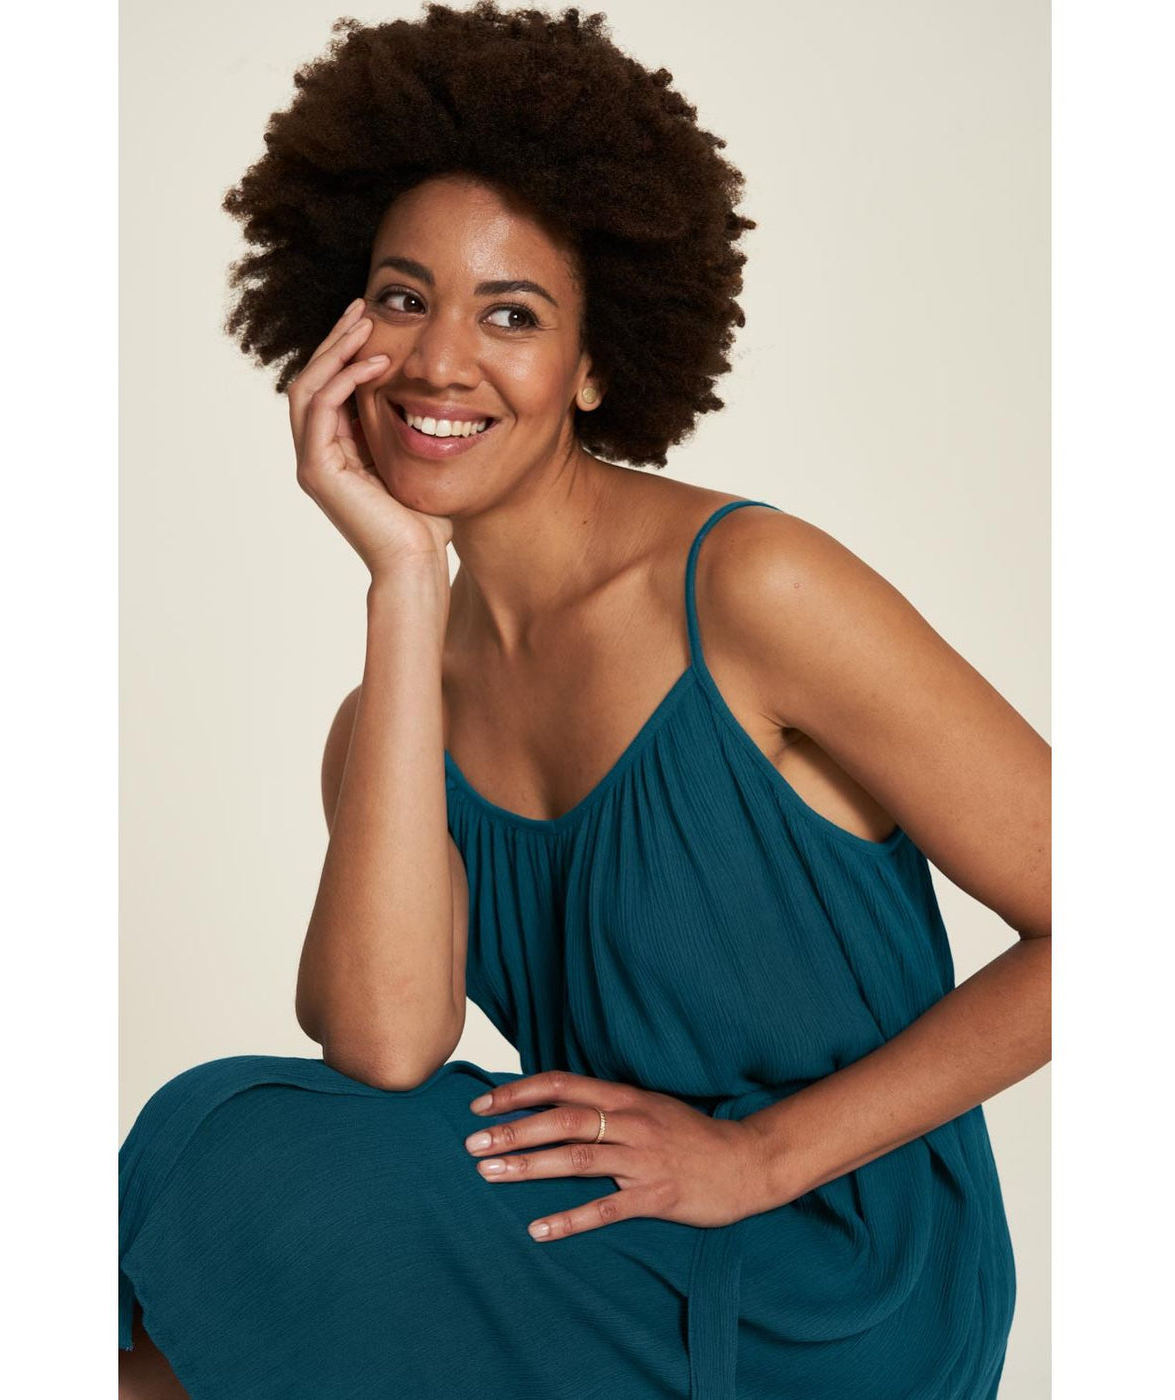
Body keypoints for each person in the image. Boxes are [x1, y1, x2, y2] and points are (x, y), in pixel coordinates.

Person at [119, 4, 1050, 1397]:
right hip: (611, 1230)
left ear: (596, 364)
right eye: (401, 298)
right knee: (208, 1202)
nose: (440, 360)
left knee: (229, 1161)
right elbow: (382, 1049)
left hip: (847, 1272)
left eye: (512, 314)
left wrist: (757, 1157)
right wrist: (403, 583)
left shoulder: (753, 589)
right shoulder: (391, 719)